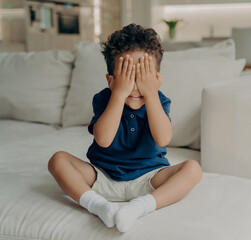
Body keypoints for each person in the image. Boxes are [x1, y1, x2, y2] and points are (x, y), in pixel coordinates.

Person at [47, 23, 203, 233]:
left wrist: (151, 93)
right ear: (110, 80)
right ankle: (98, 206)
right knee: (58, 160)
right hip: (102, 176)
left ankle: (141, 206)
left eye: (143, 76)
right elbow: (103, 139)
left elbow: (163, 138)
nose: (135, 86)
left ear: (156, 79)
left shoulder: (159, 100)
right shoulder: (104, 99)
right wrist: (119, 94)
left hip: (149, 177)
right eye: (127, 76)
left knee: (193, 169)